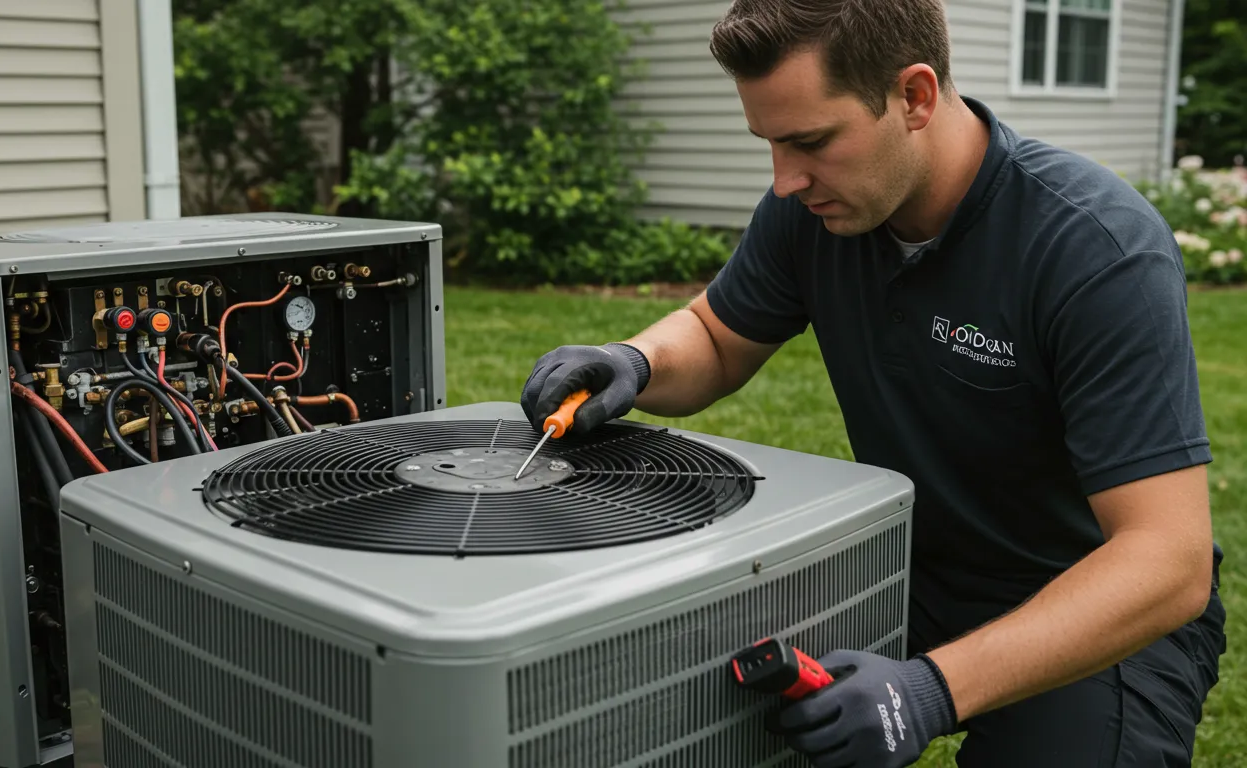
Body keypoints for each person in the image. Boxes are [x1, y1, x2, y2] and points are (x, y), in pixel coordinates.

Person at [518, 0, 1227, 765]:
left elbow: (1166, 560)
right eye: (769, 145)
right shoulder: (816, 209)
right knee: (680, 694)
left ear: (915, 97)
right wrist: (634, 360)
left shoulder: (1094, 249)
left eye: (810, 142)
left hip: (1093, 606)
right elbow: (719, 338)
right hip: (904, 564)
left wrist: (929, 689)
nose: (785, 180)